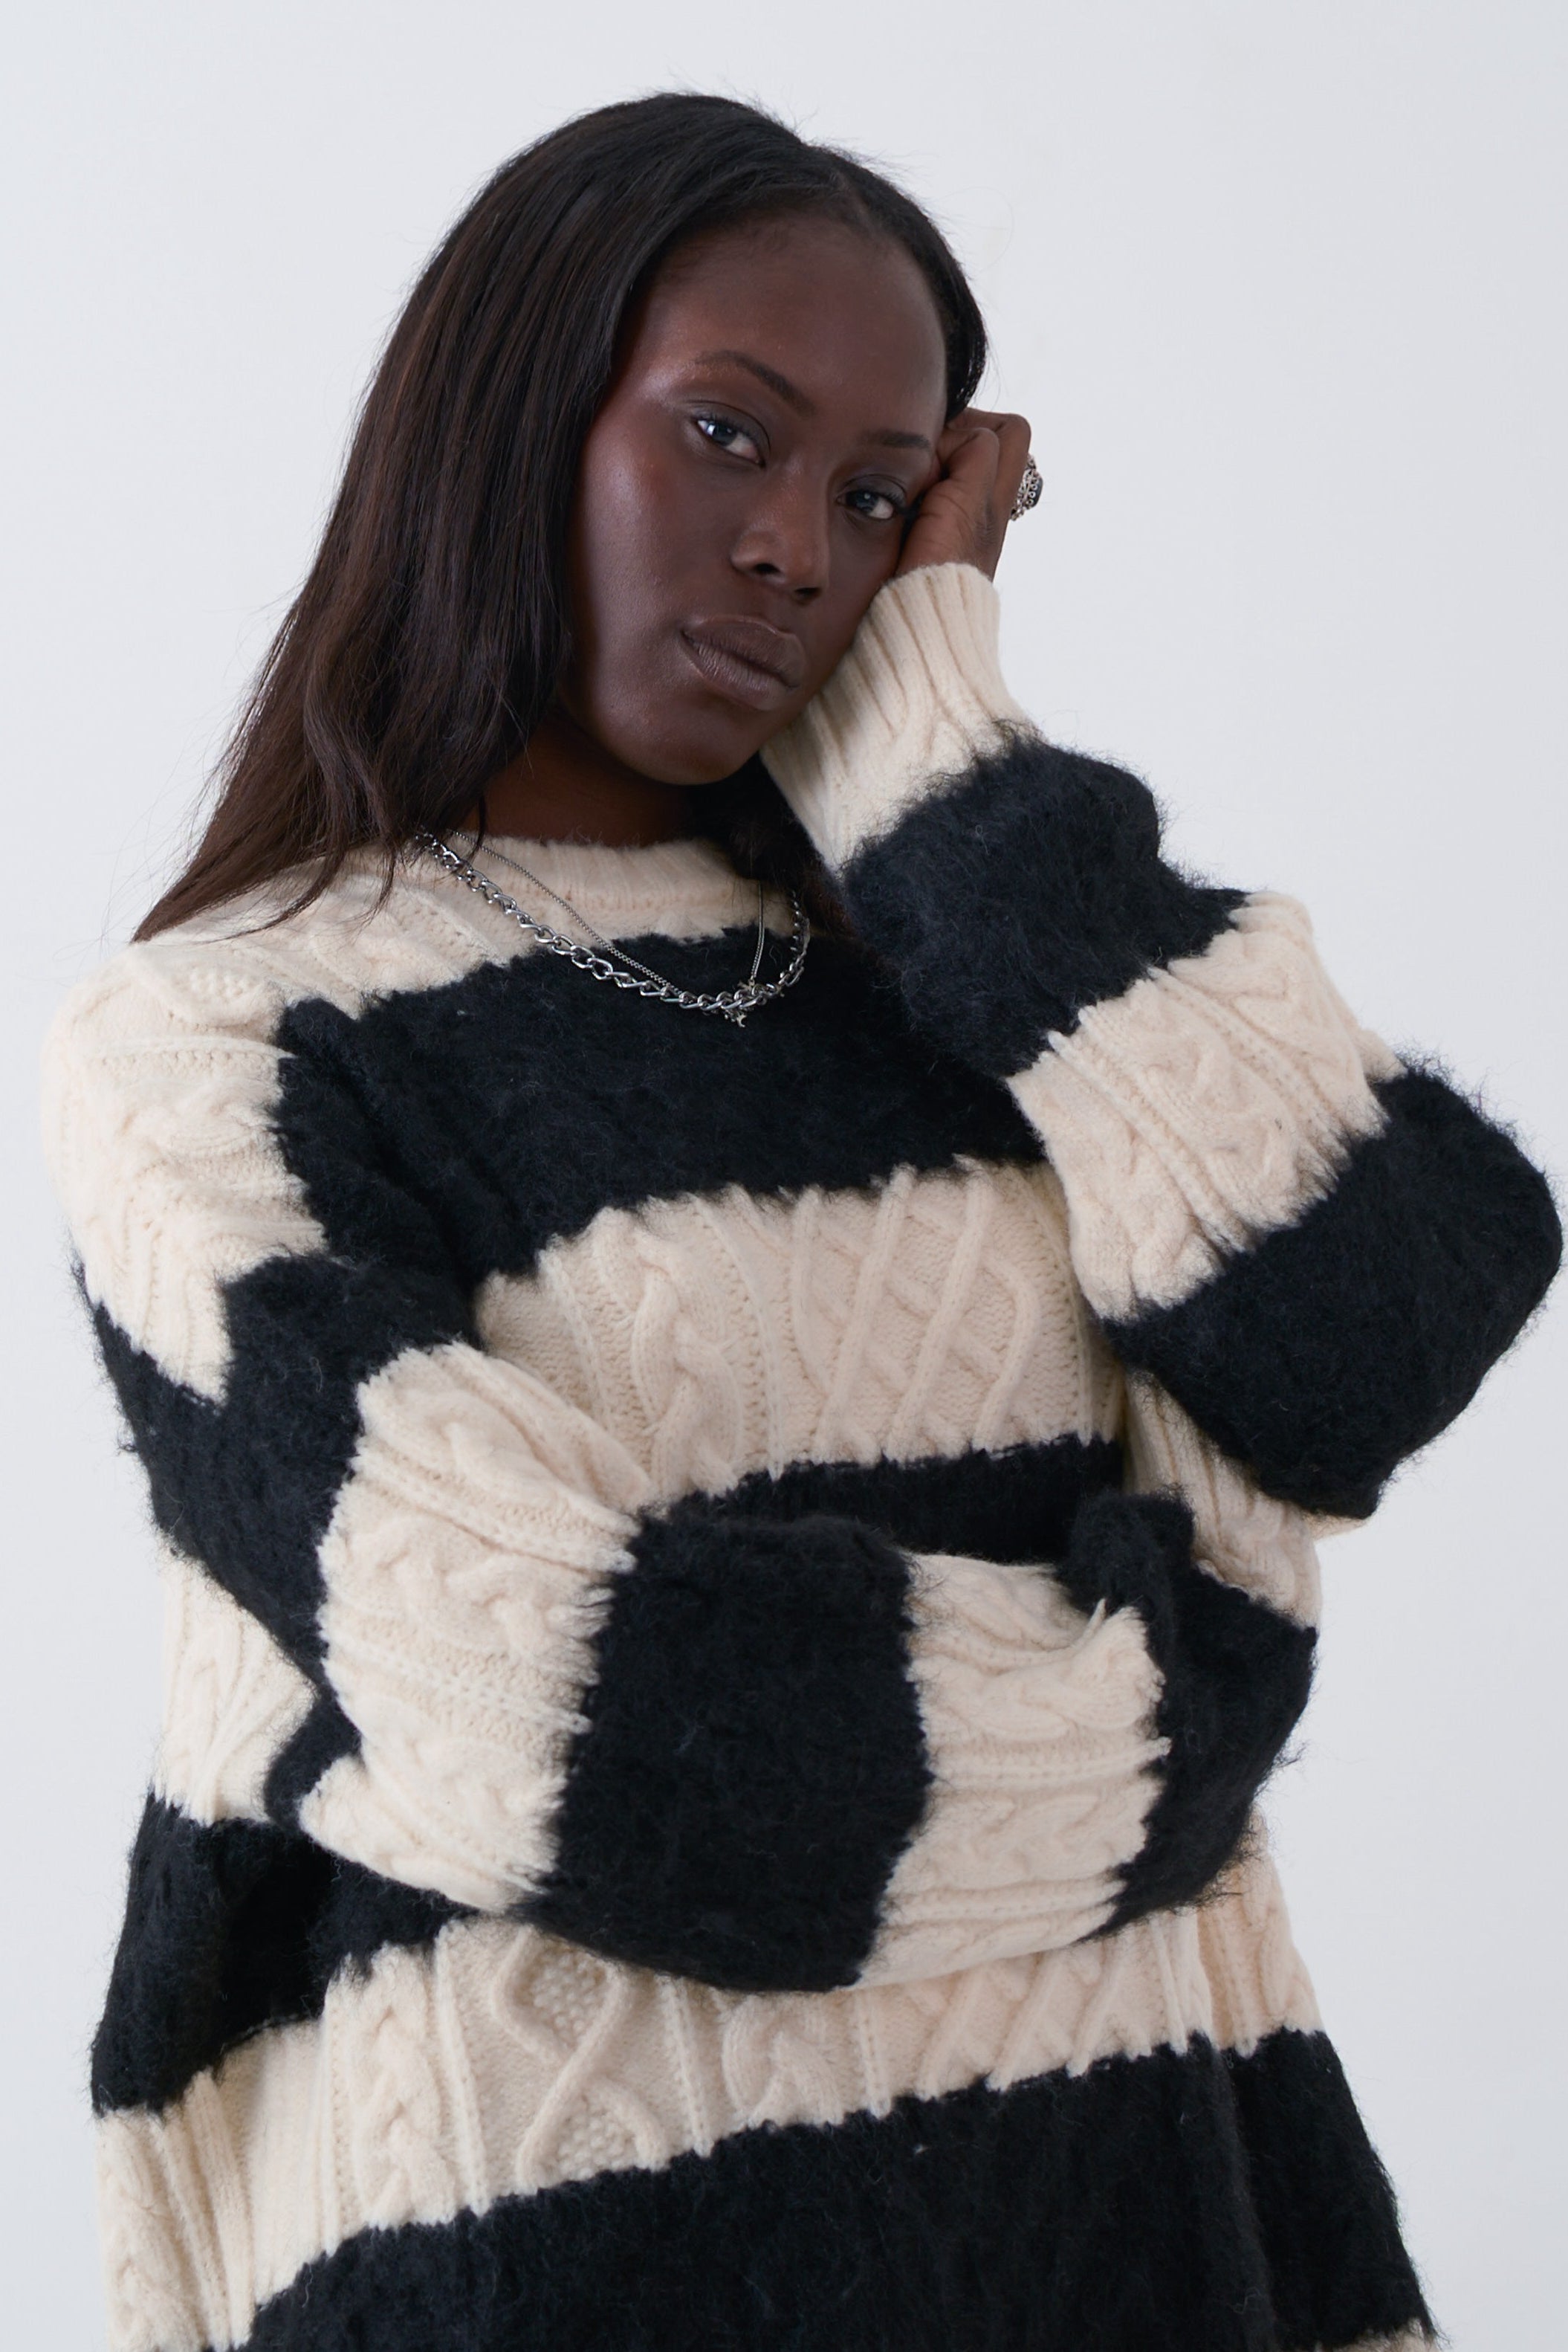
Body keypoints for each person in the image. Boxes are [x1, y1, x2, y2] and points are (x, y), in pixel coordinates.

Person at [42, 91, 1558, 2352]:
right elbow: (565, 1704)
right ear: (512, 414)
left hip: (1146, 2220)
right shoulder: (221, 1041)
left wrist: (941, 773)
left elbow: (1372, 1324)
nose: (791, 549)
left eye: (872, 500)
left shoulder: (968, 969)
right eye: (726, 434)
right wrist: (1170, 1708)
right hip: (566, 2260)